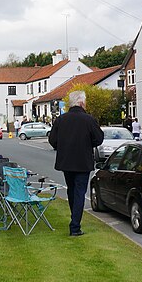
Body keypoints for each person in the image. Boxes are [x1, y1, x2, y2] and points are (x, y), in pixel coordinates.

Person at [48, 91, 104, 237]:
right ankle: (75, 226)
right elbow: (99, 139)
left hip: (66, 161)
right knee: (79, 192)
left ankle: (75, 219)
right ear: (81, 103)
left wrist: (62, 145)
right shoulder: (89, 120)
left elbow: (52, 140)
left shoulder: (61, 120)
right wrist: (88, 143)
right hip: (83, 161)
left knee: (71, 191)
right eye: (84, 102)